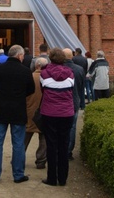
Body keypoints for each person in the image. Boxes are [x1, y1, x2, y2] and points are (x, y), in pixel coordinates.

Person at [0, 44, 35, 184]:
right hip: (18, 111)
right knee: (18, 143)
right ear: (20, 56)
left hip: (1, 110)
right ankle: (18, 174)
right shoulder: (25, 71)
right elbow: (30, 90)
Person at [39, 48, 75, 186]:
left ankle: (52, 178)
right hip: (66, 112)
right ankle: (63, 178)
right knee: (64, 145)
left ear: (50, 58)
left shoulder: (44, 73)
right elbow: (71, 89)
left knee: (51, 145)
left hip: (49, 112)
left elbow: (43, 89)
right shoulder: (70, 74)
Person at [25, 56, 48, 169]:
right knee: (43, 137)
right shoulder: (48, 78)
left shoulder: (29, 77)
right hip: (44, 111)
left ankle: (19, 158)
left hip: (29, 110)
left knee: (25, 135)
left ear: (37, 65)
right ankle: (41, 160)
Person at [63, 48, 86, 161]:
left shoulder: (59, 69)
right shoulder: (79, 69)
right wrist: (82, 102)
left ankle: (60, 150)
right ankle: (68, 151)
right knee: (72, 127)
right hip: (74, 101)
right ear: (72, 56)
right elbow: (82, 87)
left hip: (61, 102)